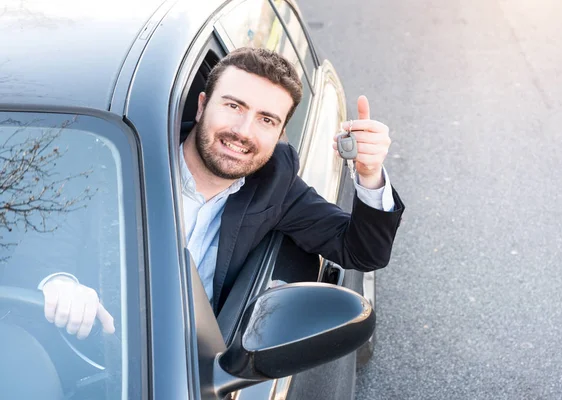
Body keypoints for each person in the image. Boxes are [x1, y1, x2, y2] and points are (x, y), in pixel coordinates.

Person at [40, 47, 405, 338]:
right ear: (201, 106)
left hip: (192, 367)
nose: (243, 131)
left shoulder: (275, 183)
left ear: (279, 135)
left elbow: (362, 251)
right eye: (233, 106)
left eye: (266, 119)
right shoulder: (116, 160)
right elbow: (39, 238)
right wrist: (60, 282)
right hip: (90, 345)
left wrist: (370, 172)